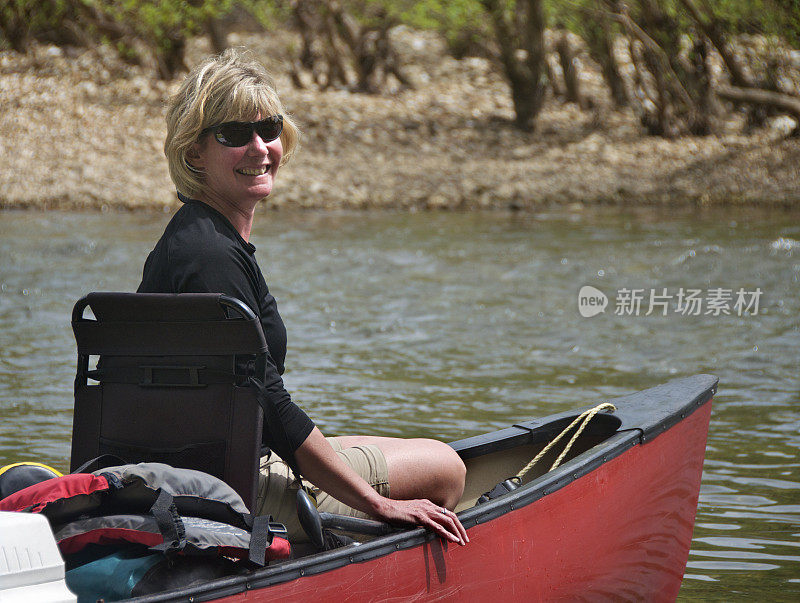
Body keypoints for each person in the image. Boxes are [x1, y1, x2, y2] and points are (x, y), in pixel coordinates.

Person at [138, 48, 468, 546]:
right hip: (227, 492)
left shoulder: (194, 238)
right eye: (233, 134)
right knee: (446, 468)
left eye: (267, 129)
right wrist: (378, 503)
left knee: (396, 445)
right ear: (193, 153)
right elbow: (268, 399)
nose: (258, 147)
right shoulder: (212, 257)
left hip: (209, 464)